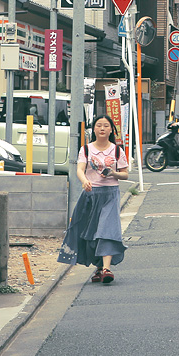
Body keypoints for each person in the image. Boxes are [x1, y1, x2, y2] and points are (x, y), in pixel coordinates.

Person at [58, 113, 128, 284]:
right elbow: (80, 169)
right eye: (99, 125)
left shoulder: (117, 150)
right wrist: (84, 181)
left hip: (110, 194)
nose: (102, 128)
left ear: (111, 130)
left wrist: (113, 173)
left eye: (106, 125)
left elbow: (125, 174)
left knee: (107, 230)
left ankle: (106, 269)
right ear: (93, 129)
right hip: (90, 195)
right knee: (91, 233)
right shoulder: (86, 149)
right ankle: (99, 267)